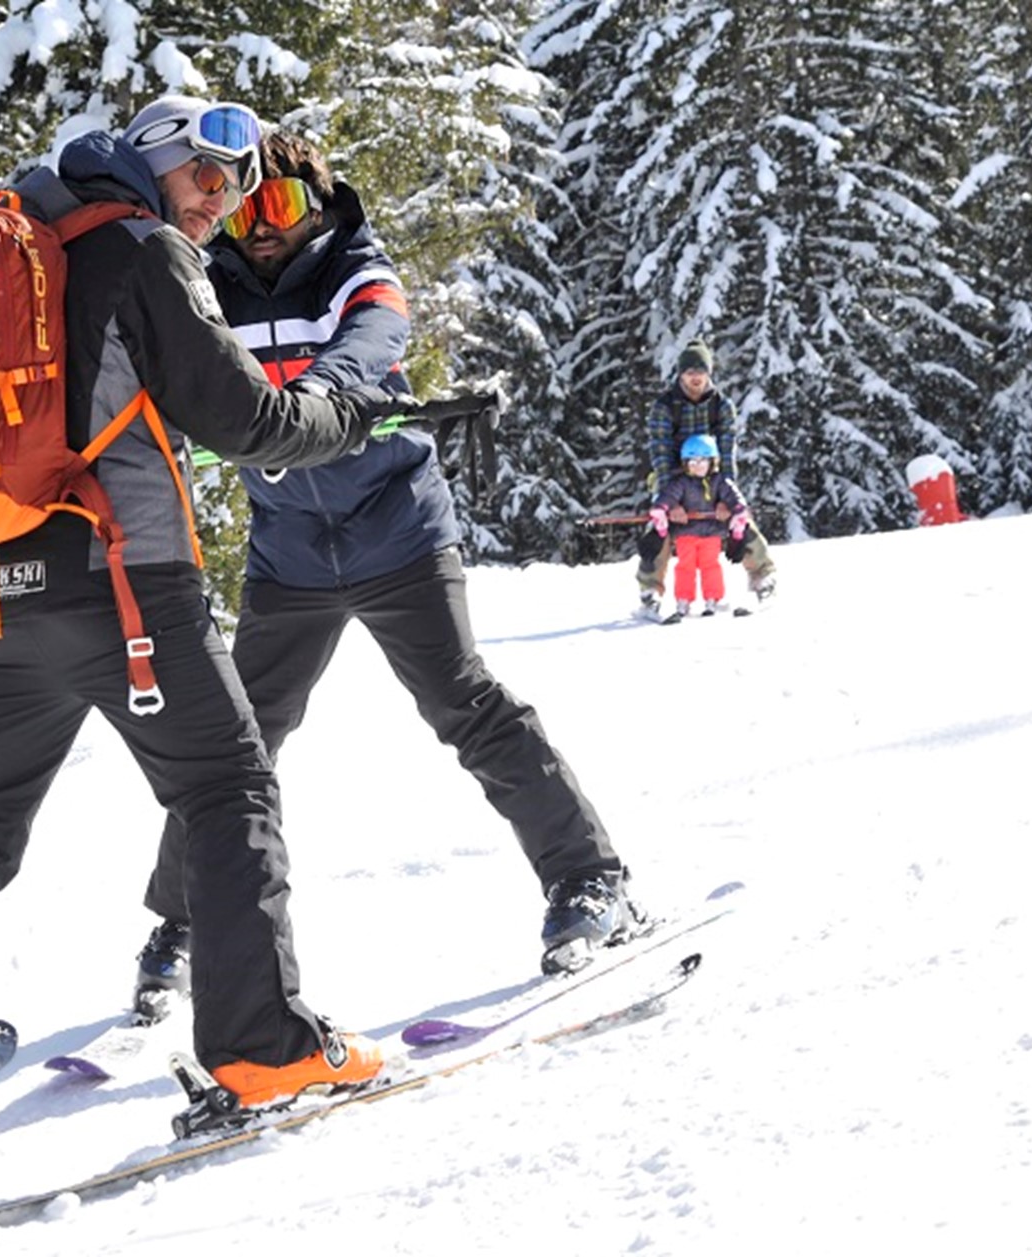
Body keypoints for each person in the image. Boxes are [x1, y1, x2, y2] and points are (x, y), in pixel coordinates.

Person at [0, 97, 409, 1138]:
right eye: (204, 175)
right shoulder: (141, 251)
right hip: (127, 583)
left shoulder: (26, 238)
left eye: (233, 190)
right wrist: (352, 403)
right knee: (228, 790)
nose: (216, 203)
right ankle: (263, 1050)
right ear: (152, 158)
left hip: (3, 587)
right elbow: (250, 421)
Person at [129, 130, 643, 1018]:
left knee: (466, 704)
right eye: (246, 208)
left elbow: (374, 338)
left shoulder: (355, 269)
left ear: (317, 205)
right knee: (235, 744)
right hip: (289, 553)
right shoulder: (207, 286)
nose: (259, 229)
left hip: (397, 533)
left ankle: (591, 879)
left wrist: (317, 405)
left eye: (281, 207)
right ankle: (184, 924)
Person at [634, 342, 776, 618]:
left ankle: (762, 576)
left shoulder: (721, 406)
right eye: (688, 371)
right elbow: (661, 453)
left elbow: (727, 451)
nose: (695, 376)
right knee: (659, 528)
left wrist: (727, 497)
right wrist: (670, 501)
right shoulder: (665, 407)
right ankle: (650, 589)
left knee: (740, 518)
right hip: (673, 477)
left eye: (700, 370)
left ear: (709, 372)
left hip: (713, 476)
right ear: (680, 374)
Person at [648, 434, 750, 622]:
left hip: (711, 533)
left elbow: (734, 495)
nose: (697, 465)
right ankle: (683, 600)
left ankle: (713, 598)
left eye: (702, 461)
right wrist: (662, 509)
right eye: (692, 461)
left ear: (712, 461)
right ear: (685, 463)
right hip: (686, 533)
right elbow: (668, 496)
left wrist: (738, 510)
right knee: (685, 567)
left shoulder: (720, 481)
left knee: (710, 565)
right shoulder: (681, 482)